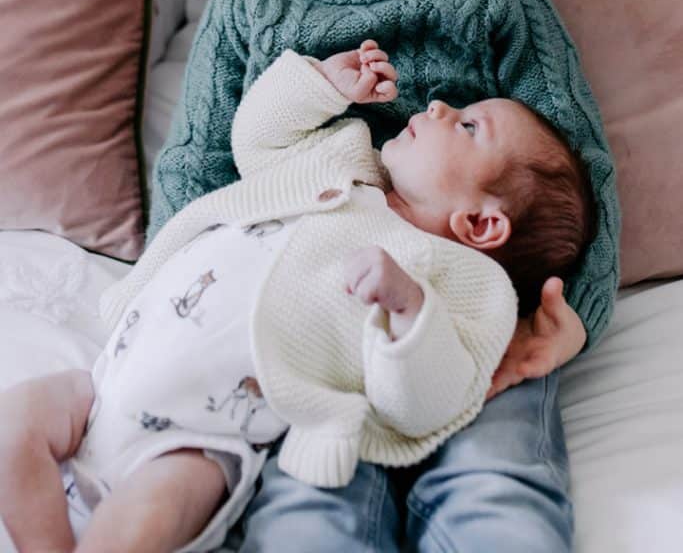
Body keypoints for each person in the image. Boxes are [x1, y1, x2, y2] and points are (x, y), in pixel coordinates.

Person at [156, 0, 615, 551]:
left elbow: (578, 162)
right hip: (307, 317)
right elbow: (198, 167)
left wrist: (564, 322)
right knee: (306, 504)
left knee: (499, 481)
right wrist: (182, 315)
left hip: (468, 315)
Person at [0, 40, 596, 553]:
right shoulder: (345, 159)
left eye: (467, 126)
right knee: (13, 420)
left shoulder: (461, 283)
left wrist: (412, 312)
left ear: (481, 225)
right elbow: (255, 140)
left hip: (202, 437)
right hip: (106, 383)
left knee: (146, 516)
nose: (439, 105)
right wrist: (322, 85)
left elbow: (428, 403)